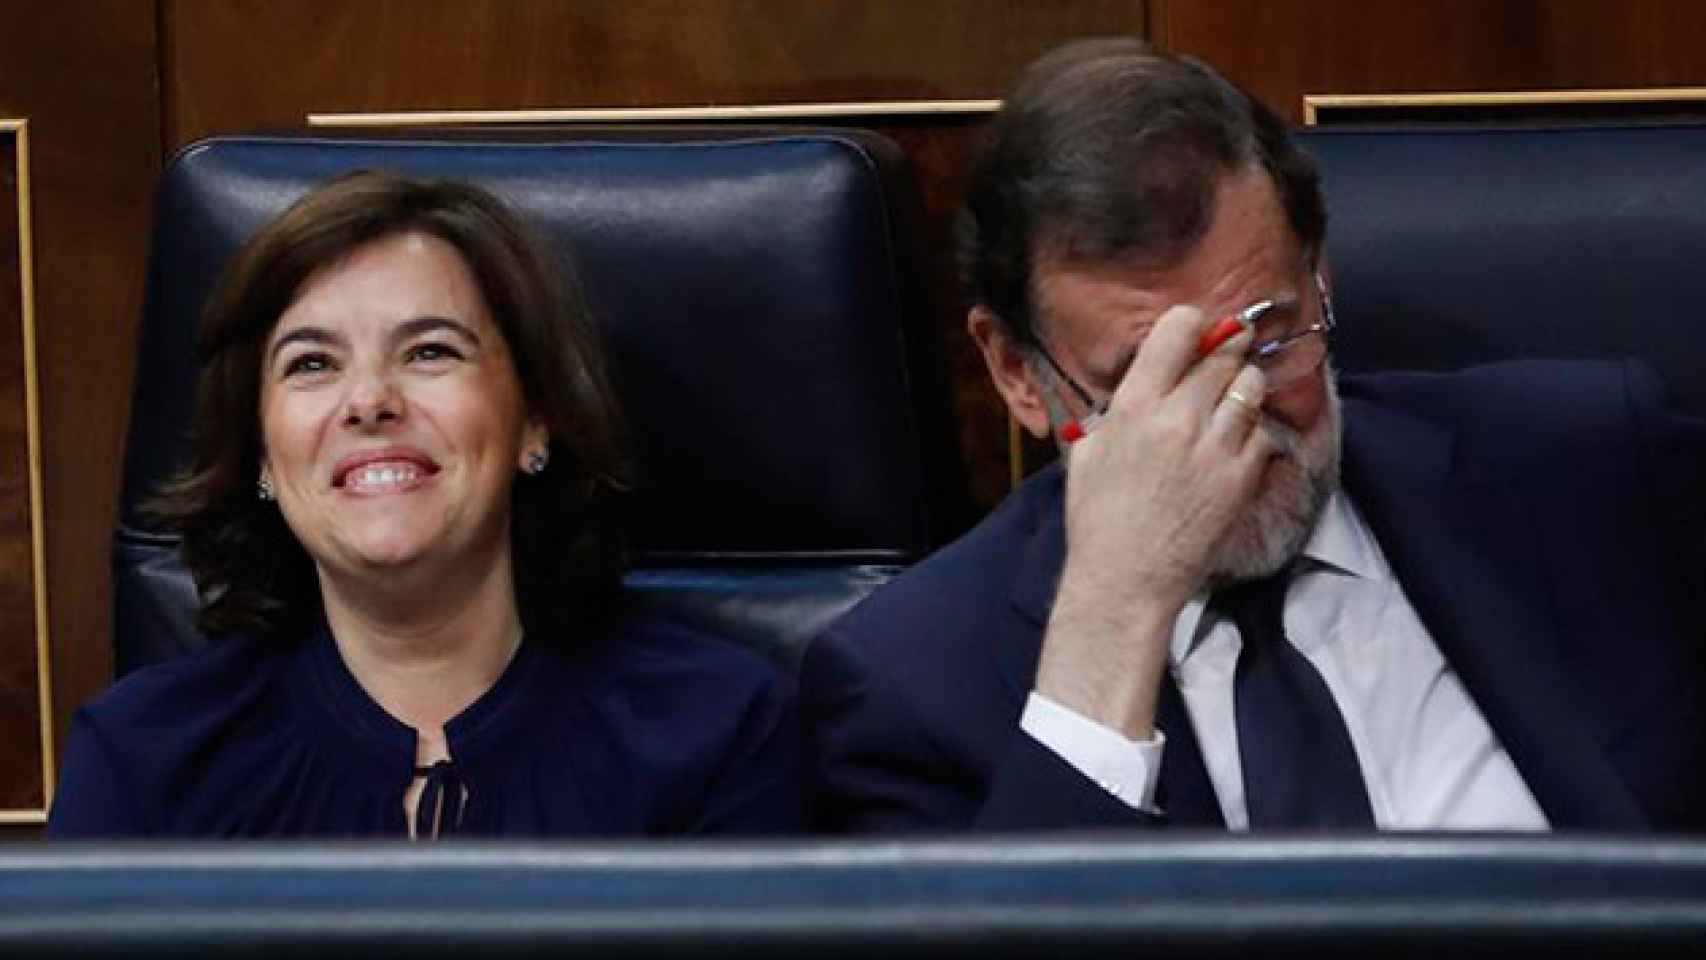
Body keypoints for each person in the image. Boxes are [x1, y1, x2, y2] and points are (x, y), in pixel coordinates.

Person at [802, 38, 1706, 832]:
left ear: (1320, 275)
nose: (1234, 420)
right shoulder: (908, 686)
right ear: (1014, 373)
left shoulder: (1589, 467)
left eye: (1268, 340)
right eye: (1151, 386)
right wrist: (1115, 615)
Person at [50, 171, 801, 838]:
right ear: (261, 454)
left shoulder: (716, 734)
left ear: (535, 420)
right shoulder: (144, 760)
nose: (370, 400)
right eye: (312, 363)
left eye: (430, 351)